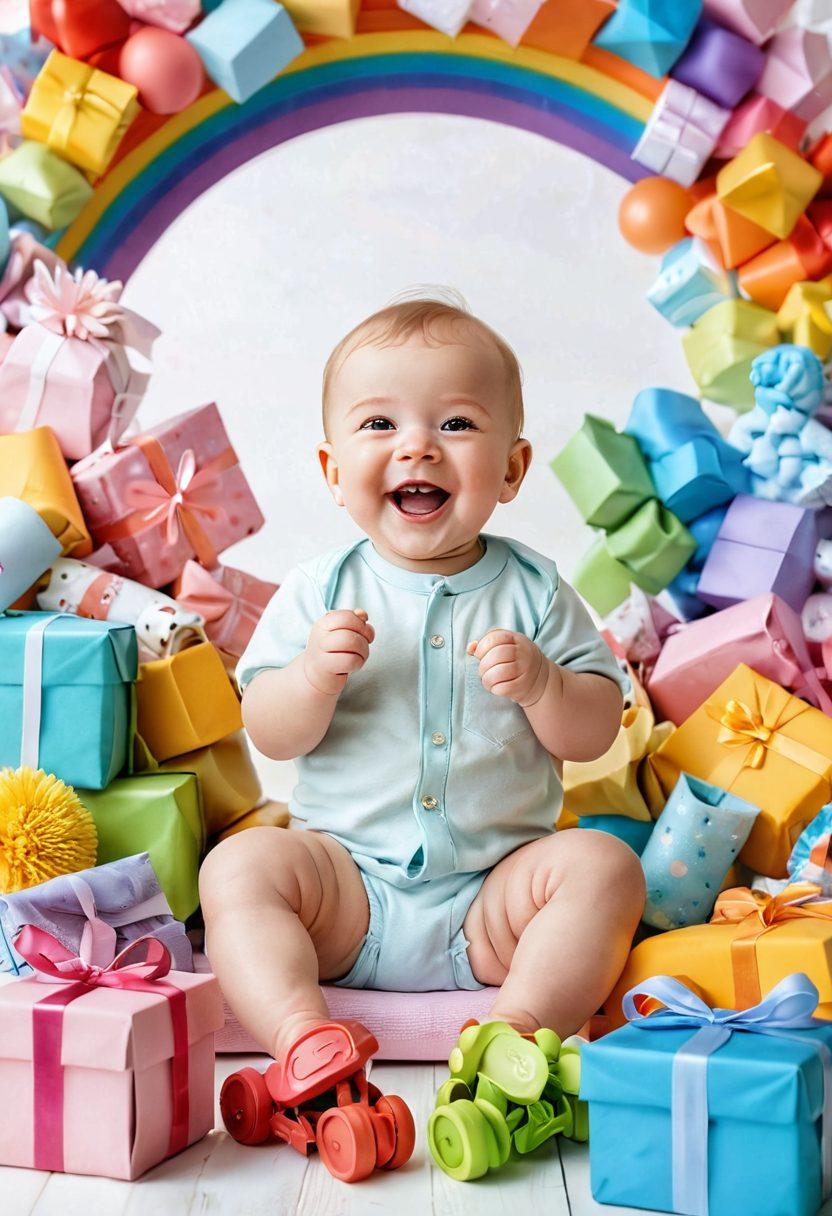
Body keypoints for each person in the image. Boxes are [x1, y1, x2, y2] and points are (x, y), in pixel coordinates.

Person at [200, 292, 646, 1074]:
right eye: (380, 423)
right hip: (344, 894)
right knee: (237, 868)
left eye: (457, 423)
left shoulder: (537, 591)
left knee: (605, 868)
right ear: (333, 471)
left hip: (494, 902)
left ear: (511, 469)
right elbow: (268, 730)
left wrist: (545, 686)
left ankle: (514, 1034)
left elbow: (596, 729)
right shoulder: (318, 590)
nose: (418, 448)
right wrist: (310, 677)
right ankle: (302, 1038)